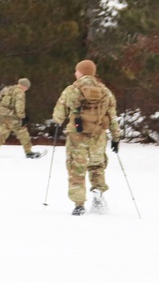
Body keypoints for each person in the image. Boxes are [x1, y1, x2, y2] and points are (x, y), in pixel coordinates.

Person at [52, 59, 121, 216]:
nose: (75, 73)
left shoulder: (72, 89)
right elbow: (112, 116)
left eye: (77, 71)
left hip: (77, 136)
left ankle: (79, 205)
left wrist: (58, 122)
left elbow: (59, 113)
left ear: (82, 72)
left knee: (77, 169)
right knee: (97, 166)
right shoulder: (105, 91)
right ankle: (98, 194)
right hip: (98, 136)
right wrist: (116, 137)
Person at [0, 77, 42, 158]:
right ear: (24, 86)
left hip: (4, 115)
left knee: (0, 134)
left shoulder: (8, 89)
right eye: (27, 87)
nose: (26, 89)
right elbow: (19, 105)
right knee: (23, 133)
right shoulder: (20, 92)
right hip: (13, 117)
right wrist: (22, 117)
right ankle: (29, 152)